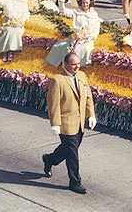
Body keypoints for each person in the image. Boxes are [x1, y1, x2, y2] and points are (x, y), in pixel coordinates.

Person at [42, 52, 96, 194]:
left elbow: (88, 96)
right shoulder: (58, 80)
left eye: (78, 63)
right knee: (72, 153)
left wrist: (91, 115)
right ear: (65, 64)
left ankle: (49, 159)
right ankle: (75, 182)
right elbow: (53, 104)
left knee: (68, 149)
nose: (76, 66)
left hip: (79, 123)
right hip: (65, 123)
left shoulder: (82, 76)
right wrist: (55, 124)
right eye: (73, 64)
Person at [46, 0, 101, 67]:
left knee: (83, 49)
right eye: (83, 2)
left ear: (90, 3)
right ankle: (60, 65)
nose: (85, 4)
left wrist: (88, 37)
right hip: (75, 38)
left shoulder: (94, 15)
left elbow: (95, 31)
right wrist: (61, 3)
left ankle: (78, 66)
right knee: (58, 45)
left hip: (88, 40)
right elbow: (64, 11)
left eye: (87, 3)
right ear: (80, 3)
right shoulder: (76, 11)